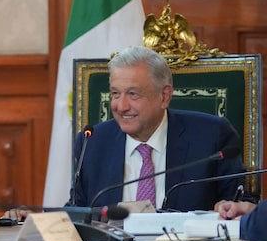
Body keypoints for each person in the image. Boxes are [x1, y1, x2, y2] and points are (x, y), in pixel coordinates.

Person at [71, 45, 247, 210]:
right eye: (116, 93)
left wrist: (229, 209)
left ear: (164, 96)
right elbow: (77, 210)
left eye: (133, 94)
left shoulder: (212, 137)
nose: (121, 106)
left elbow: (239, 205)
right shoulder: (91, 143)